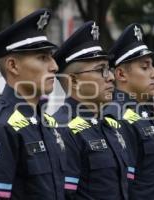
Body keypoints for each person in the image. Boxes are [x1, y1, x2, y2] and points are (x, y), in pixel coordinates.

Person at [0, 9, 66, 200]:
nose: (54, 66)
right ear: (12, 66)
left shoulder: (42, 122)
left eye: (51, 56)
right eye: (43, 57)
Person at [53, 21, 129, 200]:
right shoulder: (64, 129)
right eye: (101, 70)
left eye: (108, 69)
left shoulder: (108, 125)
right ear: (74, 80)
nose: (110, 77)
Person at [103, 23, 154, 200]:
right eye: (145, 67)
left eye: (152, 66)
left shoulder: (141, 112)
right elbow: (124, 186)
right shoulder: (118, 117)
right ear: (121, 75)